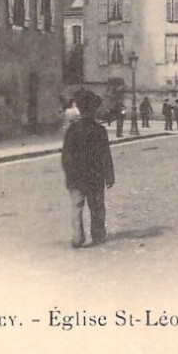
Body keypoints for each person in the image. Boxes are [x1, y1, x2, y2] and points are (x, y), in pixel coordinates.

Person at [61, 88, 115, 248]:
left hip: (76, 177)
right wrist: (109, 176)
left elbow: (66, 156)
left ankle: (78, 238)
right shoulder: (99, 130)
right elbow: (106, 155)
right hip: (95, 176)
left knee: (77, 208)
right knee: (97, 206)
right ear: (93, 110)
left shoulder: (72, 130)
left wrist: (69, 175)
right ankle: (98, 234)